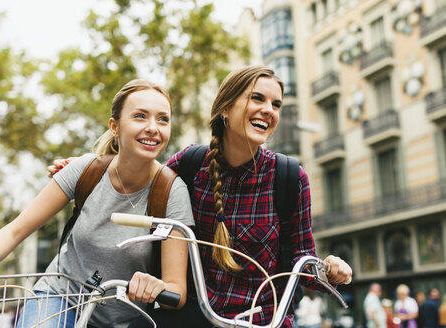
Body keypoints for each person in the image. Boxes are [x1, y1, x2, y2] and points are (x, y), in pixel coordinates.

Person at [48, 65, 353, 327]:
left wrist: (330, 270)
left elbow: (303, 259)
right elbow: (137, 178)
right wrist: (87, 168)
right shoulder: (190, 165)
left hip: (264, 321)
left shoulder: (289, 178)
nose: (268, 110)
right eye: (257, 98)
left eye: (276, 104)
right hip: (196, 318)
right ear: (226, 108)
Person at [0, 79, 195, 328]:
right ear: (114, 126)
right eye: (140, 116)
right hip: (59, 297)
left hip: (123, 318)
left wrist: (156, 287)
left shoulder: (171, 192)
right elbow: (15, 231)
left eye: (163, 119)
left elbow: (176, 292)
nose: (153, 128)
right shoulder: (84, 171)